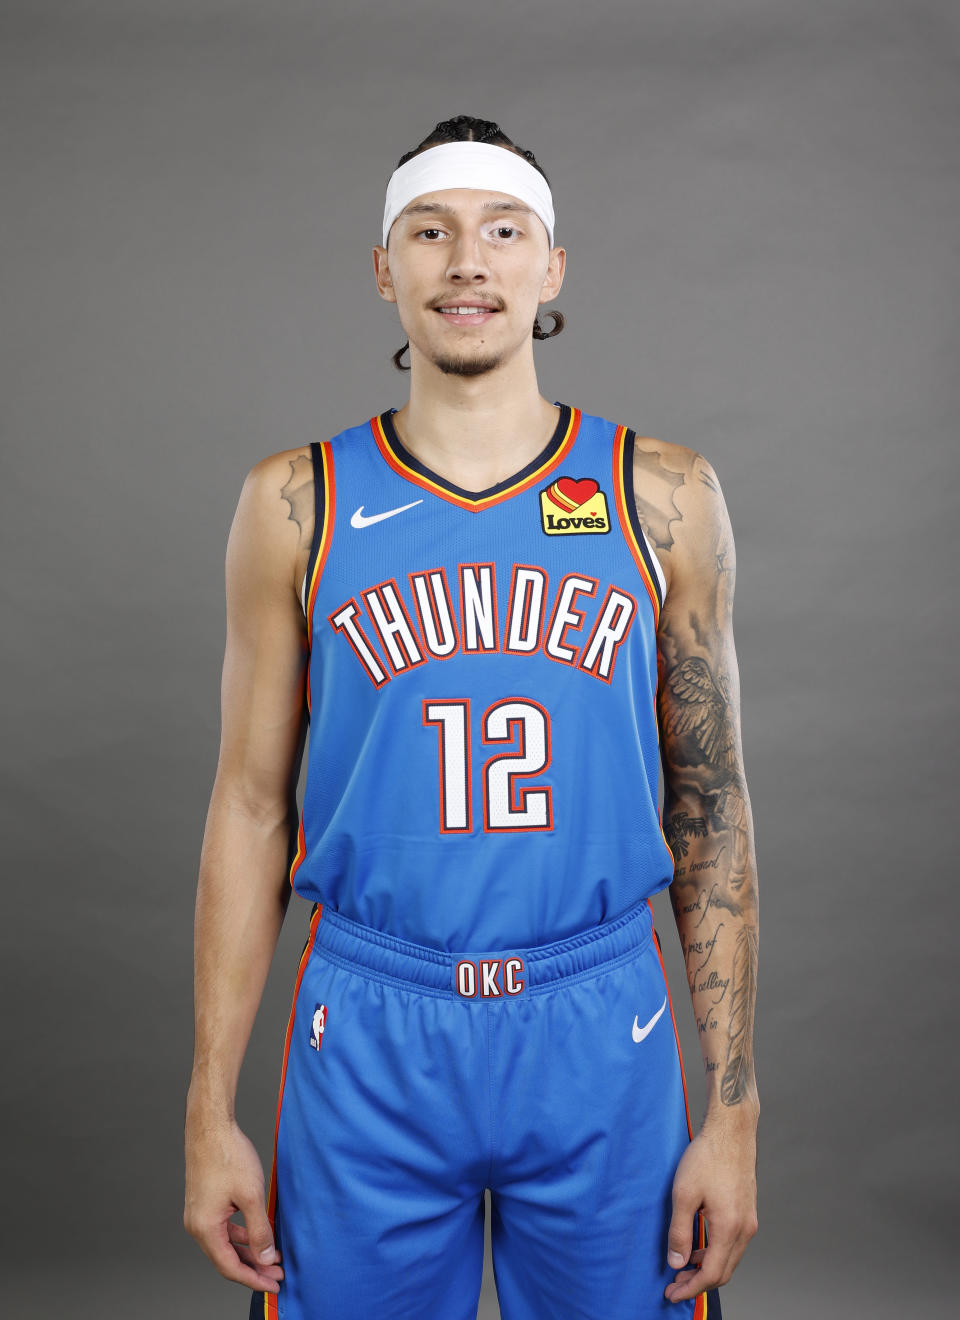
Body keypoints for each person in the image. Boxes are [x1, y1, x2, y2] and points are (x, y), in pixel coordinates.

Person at [184, 114, 759, 1320]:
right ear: (383, 267)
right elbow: (248, 805)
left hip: (601, 1016)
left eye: (505, 231)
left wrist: (735, 1108)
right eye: (429, 231)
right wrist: (208, 1106)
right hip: (375, 1023)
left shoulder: (660, 495)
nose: (467, 263)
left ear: (551, 270)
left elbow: (709, 804)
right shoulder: (297, 502)